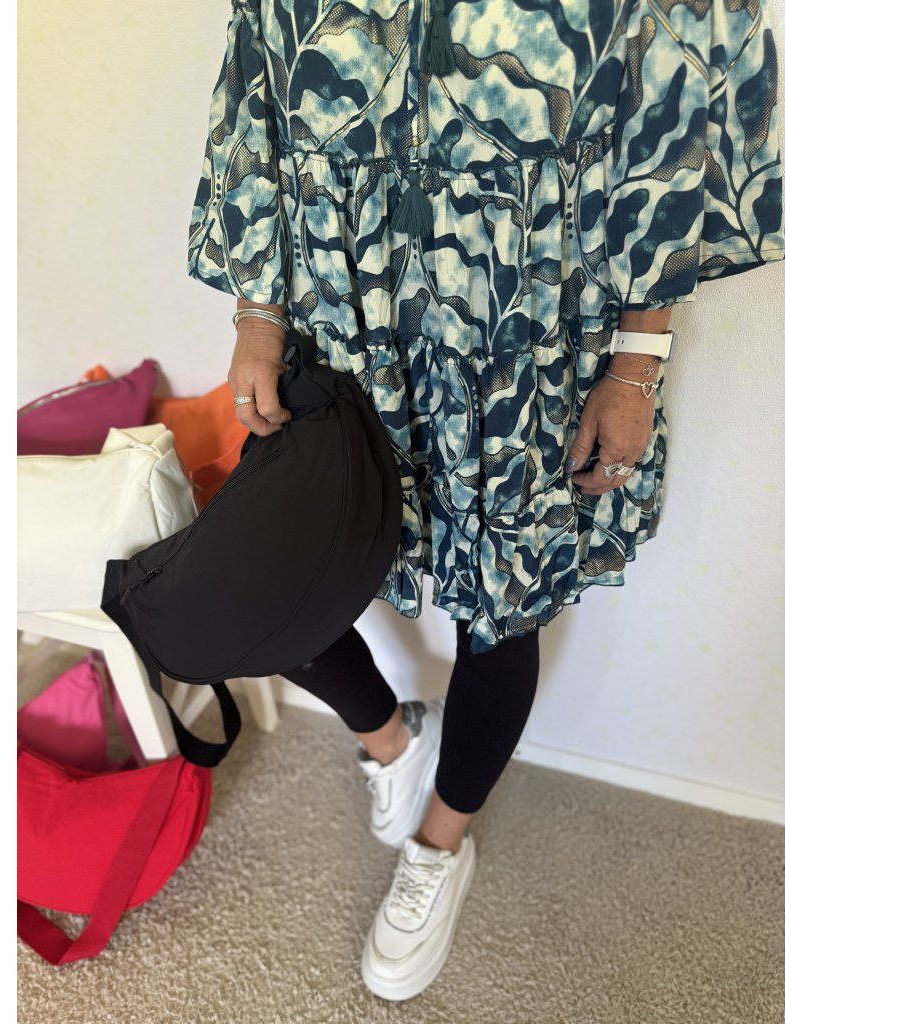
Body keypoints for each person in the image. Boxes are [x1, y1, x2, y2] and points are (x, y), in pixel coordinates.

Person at [187, 0, 784, 1001]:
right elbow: (258, 101)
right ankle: (392, 737)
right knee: (270, 579)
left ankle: (439, 844)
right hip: (347, 326)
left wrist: (635, 364)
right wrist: (259, 315)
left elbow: (678, 125)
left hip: (524, 338)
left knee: (498, 609)